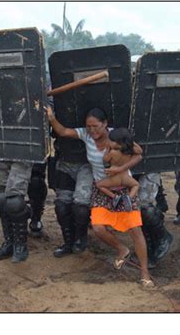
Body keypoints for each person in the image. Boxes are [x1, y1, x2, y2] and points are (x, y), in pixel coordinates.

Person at [46, 106, 153, 287]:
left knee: (135, 230)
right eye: (89, 126)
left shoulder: (116, 136)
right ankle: (122, 249)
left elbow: (139, 153)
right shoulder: (86, 135)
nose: (92, 130)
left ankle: (145, 273)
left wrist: (119, 168)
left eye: (96, 126)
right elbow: (63, 131)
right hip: (102, 189)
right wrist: (51, 117)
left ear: (105, 124)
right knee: (98, 228)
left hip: (123, 187)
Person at [95, 128, 140, 211]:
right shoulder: (130, 151)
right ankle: (129, 198)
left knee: (99, 185)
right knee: (136, 185)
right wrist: (130, 141)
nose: (109, 142)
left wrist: (107, 149)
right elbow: (140, 151)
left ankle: (115, 197)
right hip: (126, 177)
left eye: (111, 141)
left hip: (115, 178)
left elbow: (105, 159)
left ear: (117, 142)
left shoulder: (113, 153)